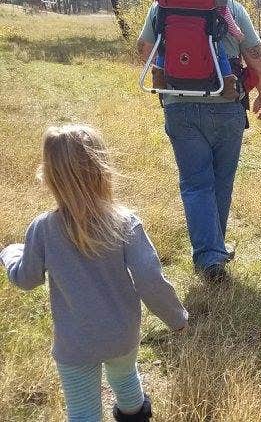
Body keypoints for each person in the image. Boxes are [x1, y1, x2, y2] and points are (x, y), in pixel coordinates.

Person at [1, 124, 188, 422]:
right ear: (102, 169)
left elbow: (27, 278)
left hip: (76, 344)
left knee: (83, 412)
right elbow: (150, 280)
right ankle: (136, 415)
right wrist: (176, 318)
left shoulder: (42, 229)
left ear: (50, 177)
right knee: (126, 379)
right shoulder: (125, 223)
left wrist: (10, 254)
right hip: (122, 335)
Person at [137, 0, 261, 281]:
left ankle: (210, 255)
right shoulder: (230, 8)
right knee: (221, 181)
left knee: (196, 183)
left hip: (179, 108)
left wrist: (177, 63)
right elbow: (254, 55)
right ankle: (214, 252)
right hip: (226, 104)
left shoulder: (161, 9)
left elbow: (143, 48)